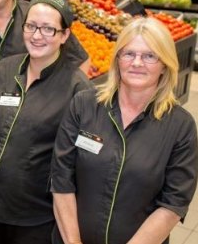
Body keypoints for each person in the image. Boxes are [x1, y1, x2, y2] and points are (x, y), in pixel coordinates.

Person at [50, 17, 198, 244]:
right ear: (117, 59)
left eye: (149, 56)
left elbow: (173, 204)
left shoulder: (181, 126)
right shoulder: (84, 105)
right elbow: (61, 179)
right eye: (129, 54)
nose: (137, 62)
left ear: (164, 65)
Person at [0, 0, 94, 244]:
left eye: (48, 29)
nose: (37, 36)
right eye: (31, 26)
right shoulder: (4, 69)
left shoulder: (77, 88)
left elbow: (81, 162)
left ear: (64, 36)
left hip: (37, 216)